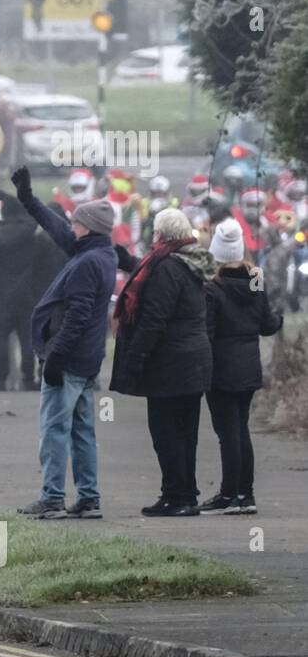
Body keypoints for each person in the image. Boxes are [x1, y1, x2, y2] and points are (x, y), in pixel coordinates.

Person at [9, 167, 117, 519]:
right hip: (86, 359)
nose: (71, 225)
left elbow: (78, 316)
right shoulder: (98, 252)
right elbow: (58, 228)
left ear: (89, 228)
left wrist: (55, 354)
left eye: (77, 222)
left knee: (54, 428)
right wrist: (29, 200)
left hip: (69, 359)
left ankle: (52, 497)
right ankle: (89, 497)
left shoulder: (87, 263)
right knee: (82, 430)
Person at [109, 208, 216, 516]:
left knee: (166, 432)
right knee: (186, 432)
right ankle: (183, 494)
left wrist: (134, 359)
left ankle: (177, 496)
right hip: (194, 359)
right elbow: (149, 272)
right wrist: (127, 260)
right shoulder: (188, 261)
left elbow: (155, 319)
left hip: (171, 364)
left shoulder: (166, 267)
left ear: (161, 234)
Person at [200, 218, 283, 514]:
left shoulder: (212, 286)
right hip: (249, 366)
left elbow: (207, 332)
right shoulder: (256, 277)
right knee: (242, 429)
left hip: (221, 368)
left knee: (227, 433)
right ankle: (246, 495)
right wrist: (280, 317)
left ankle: (228, 495)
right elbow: (267, 325)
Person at [0, 192, 41, 391]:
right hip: (27, 293)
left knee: (0, 339)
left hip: (0, 294)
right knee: (27, 339)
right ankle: (28, 378)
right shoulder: (31, 236)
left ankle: (0, 379)